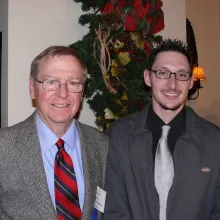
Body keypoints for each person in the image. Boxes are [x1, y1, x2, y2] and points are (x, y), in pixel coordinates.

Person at [102, 39, 220, 220]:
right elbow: (113, 210)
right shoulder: (118, 136)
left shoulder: (215, 142)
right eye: (163, 73)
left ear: (190, 82)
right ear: (148, 78)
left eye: (181, 75)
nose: (172, 84)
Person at [0, 46, 108, 220]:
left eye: (73, 83)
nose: (62, 94)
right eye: (51, 82)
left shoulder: (101, 145)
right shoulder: (4, 147)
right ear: (32, 87)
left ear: (82, 92)